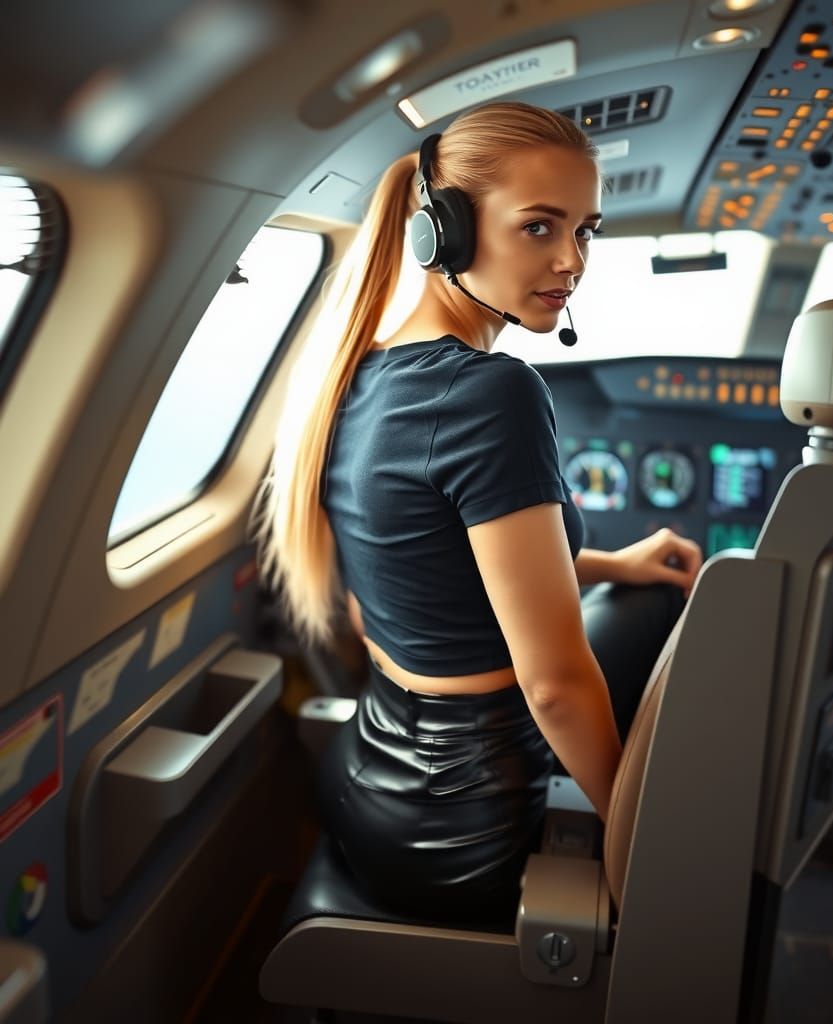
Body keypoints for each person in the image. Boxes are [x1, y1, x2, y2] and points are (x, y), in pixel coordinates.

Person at [255, 101, 702, 919]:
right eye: (539, 226)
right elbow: (555, 686)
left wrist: (612, 564)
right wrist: (644, 845)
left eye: (587, 231)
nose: (572, 260)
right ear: (446, 235)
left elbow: (442, 572)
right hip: (462, 820)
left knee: (644, 589)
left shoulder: (362, 372)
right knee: (670, 611)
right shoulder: (494, 393)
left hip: (369, 774)